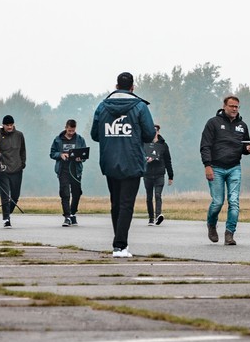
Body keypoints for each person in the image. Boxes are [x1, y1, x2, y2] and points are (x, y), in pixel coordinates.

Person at [90, 72, 156, 258]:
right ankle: (120, 245)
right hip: (132, 161)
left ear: (116, 86)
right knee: (127, 204)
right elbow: (149, 134)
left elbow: (95, 135)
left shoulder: (102, 106)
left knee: (116, 203)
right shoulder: (140, 107)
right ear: (132, 87)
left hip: (110, 161)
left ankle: (118, 244)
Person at [199, 95, 250, 245]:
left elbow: (245, 146)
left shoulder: (242, 125)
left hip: (234, 168)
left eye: (237, 106)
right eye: (232, 106)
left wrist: (248, 149)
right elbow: (205, 146)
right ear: (224, 106)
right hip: (215, 167)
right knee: (217, 202)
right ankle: (211, 224)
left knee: (234, 202)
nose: (234, 109)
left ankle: (230, 234)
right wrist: (207, 165)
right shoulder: (213, 123)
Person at [49, 119, 87, 227]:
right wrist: (60, 155)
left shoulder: (80, 139)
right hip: (63, 170)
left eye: (73, 130)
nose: (71, 133)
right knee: (64, 193)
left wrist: (81, 158)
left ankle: (72, 213)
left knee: (77, 193)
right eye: (69, 130)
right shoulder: (58, 140)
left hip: (76, 170)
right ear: (66, 128)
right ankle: (67, 216)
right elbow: (52, 153)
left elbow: (84, 154)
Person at [0, 114, 26, 228]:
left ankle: (8, 212)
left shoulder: (19, 135)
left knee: (15, 196)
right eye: (7, 125)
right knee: (5, 195)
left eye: (11, 125)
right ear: (3, 125)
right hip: (3, 170)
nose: (9, 127)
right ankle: (6, 219)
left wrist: (22, 164)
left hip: (17, 169)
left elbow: (23, 151)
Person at [144, 124, 174, 225]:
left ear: (158, 131)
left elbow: (168, 160)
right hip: (147, 174)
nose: (154, 132)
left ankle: (158, 216)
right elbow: (139, 156)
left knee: (158, 195)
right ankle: (151, 218)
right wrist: (146, 160)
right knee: (149, 197)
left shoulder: (163, 145)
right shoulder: (145, 144)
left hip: (159, 173)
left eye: (155, 130)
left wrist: (170, 175)